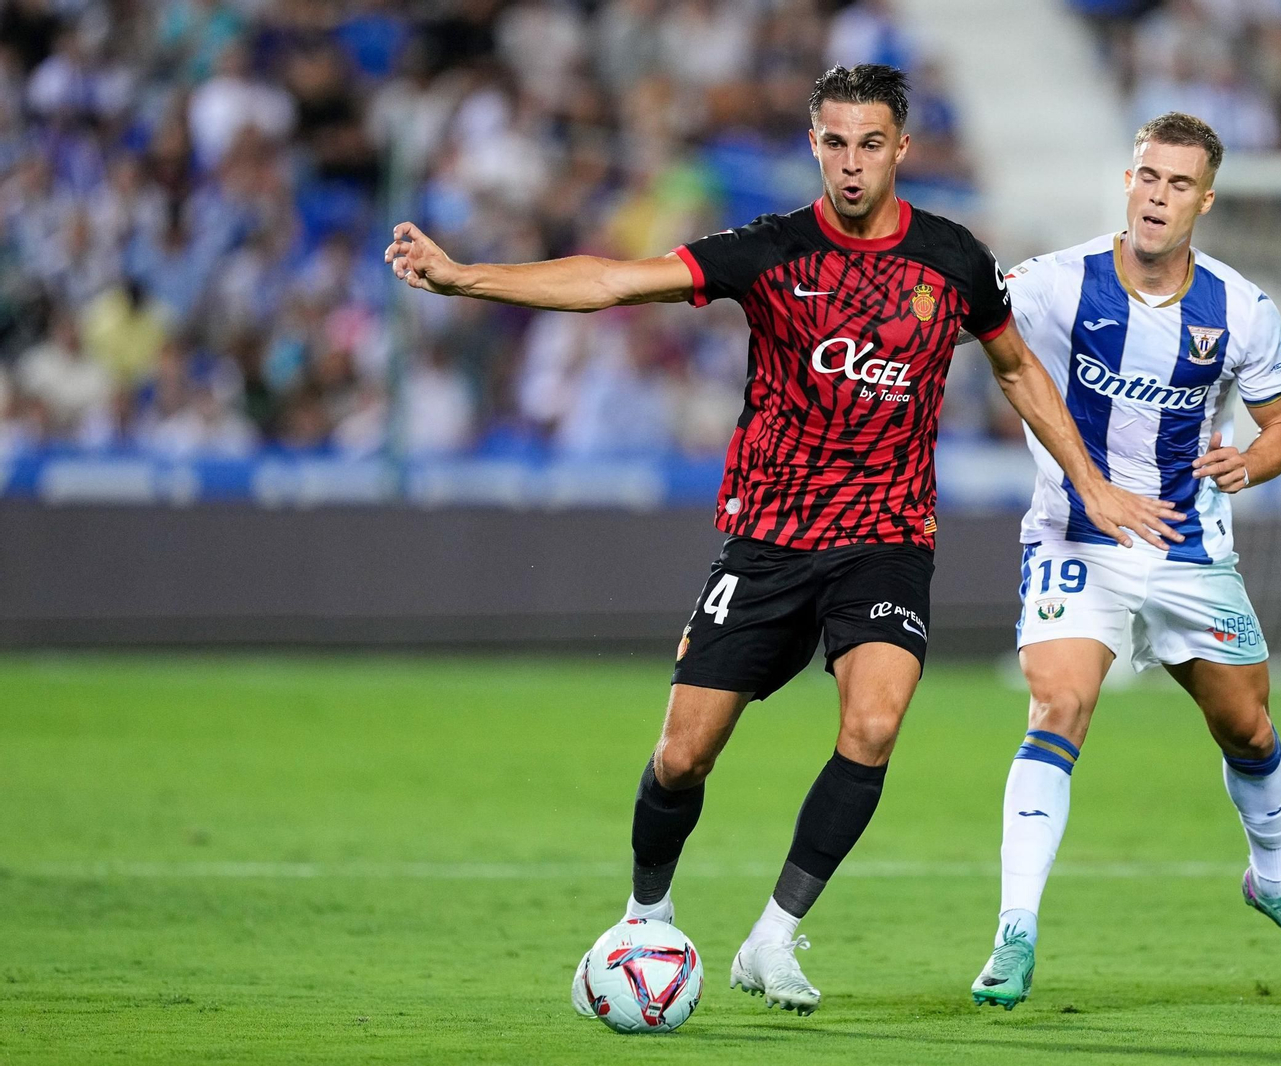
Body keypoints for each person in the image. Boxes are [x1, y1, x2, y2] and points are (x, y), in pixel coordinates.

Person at [386, 64, 1181, 1017]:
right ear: (815, 145)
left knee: (875, 723)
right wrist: (464, 274)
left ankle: (773, 935)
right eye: (835, 143)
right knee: (683, 757)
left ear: (902, 149)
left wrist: (1092, 484)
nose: (852, 165)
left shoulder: (955, 262)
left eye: (871, 144)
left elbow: (1015, 371)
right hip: (768, 539)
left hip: (887, 536)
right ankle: (646, 915)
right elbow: (611, 280)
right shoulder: (768, 250)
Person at [969, 112, 1281, 1010]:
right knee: (1059, 702)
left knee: (1249, 729)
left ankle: (1274, 879)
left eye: (1178, 184)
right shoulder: (1057, 283)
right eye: (1147, 176)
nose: (1156, 195)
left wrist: (1250, 463)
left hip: (1189, 546)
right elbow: (961, 325)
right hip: (1078, 533)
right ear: (1128, 180)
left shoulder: (1243, 309)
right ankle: (1014, 933)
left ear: (1204, 201)